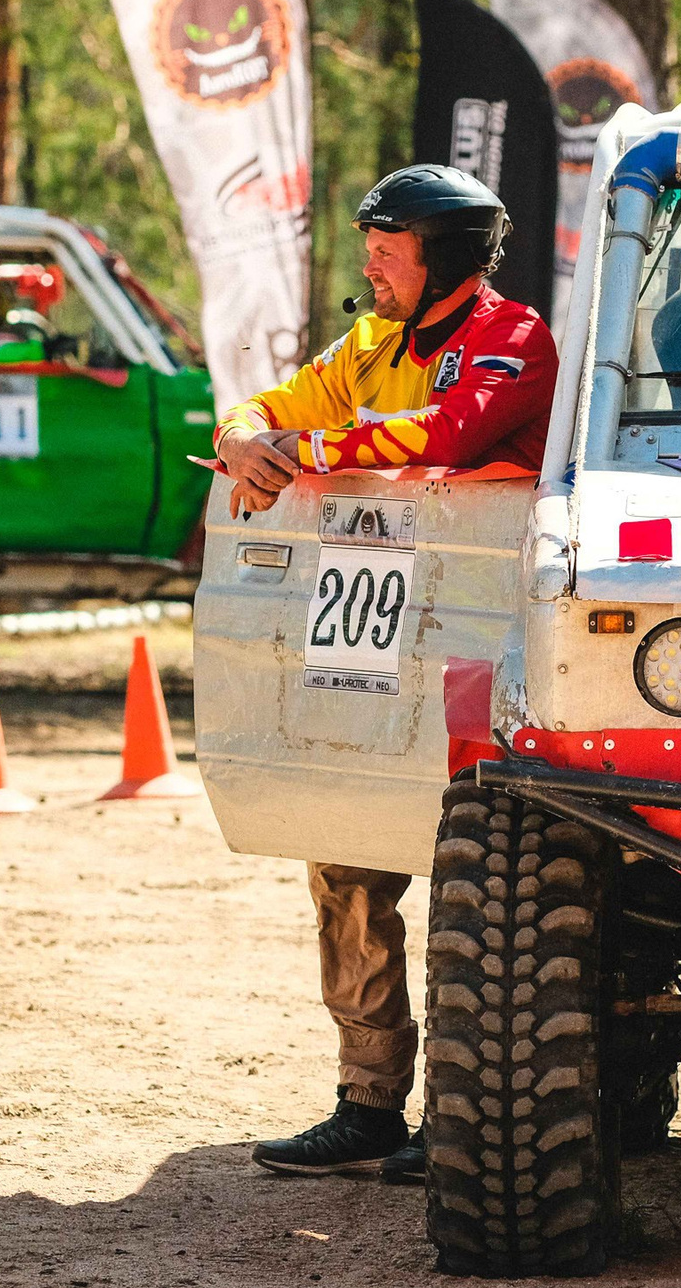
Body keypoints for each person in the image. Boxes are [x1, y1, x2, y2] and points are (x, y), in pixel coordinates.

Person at [213, 163, 558, 1182]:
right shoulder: (366, 344)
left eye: (386, 248)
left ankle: (468, 1115)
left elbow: (447, 436)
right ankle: (366, 1099)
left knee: (474, 865)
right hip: (363, 632)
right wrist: (243, 444)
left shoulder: (512, 339)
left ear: (442, 256)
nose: (368, 264)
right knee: (345, 852)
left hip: (473, 632)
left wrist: (299, 448)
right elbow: (255, 411)